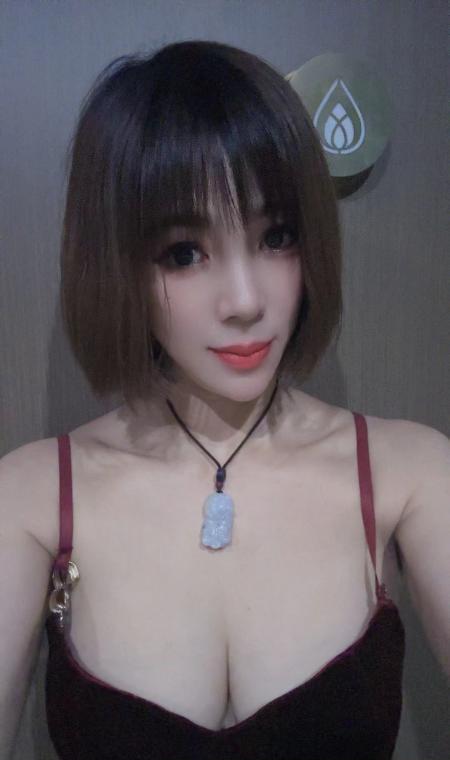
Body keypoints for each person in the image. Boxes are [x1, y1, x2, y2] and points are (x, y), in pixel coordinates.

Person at [0, 39, 448, 760]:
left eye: (277, 237)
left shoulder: (412, 473)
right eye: (184, 252)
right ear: (118, 263)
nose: (245, 301)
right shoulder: (29, 497)